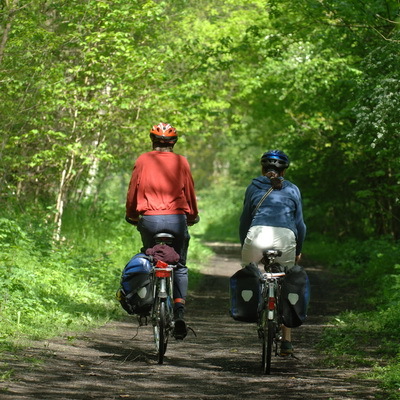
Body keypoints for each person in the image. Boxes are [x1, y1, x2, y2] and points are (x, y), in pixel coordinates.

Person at [125, 122, 199, 340]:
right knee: (180, 266)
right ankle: (179, 312)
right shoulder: (181, 162)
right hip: (177, 220)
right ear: (173, 143)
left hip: (150, 220)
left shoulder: (143, 160)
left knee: (150, 258)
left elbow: (133, 190)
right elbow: (190, 191)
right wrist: (192, 215)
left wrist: (132, 214)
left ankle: (148, 303)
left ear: (152, 141)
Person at [239, 149, 306, 356]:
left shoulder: (253, 187)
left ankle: (256, 306)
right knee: (286, 282)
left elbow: (245, 221)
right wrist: (298, 251)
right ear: (284, 171)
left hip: (257, 235)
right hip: (286, 237)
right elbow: (300, 225)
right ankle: (286, 341)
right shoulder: (293, 189)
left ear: (262, 169)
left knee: (250, 273)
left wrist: (245, 245)